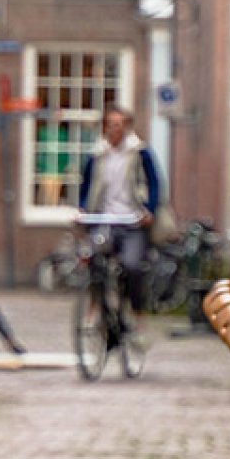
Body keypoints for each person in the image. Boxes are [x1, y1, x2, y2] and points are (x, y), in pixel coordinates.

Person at [77, 105, 163, 315]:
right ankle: (95, 305)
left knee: (132, 266)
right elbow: (86, 185)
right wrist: (82, 209)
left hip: (131, 221)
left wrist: (149, 210)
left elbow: (154, 183)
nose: (116, 129)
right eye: (111, 124)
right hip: (104, 220)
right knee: (93, 259)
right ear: (104, 127)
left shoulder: (140, 153)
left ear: (127, 127)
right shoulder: (97, 155)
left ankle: (135, 310)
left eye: (120, 124)